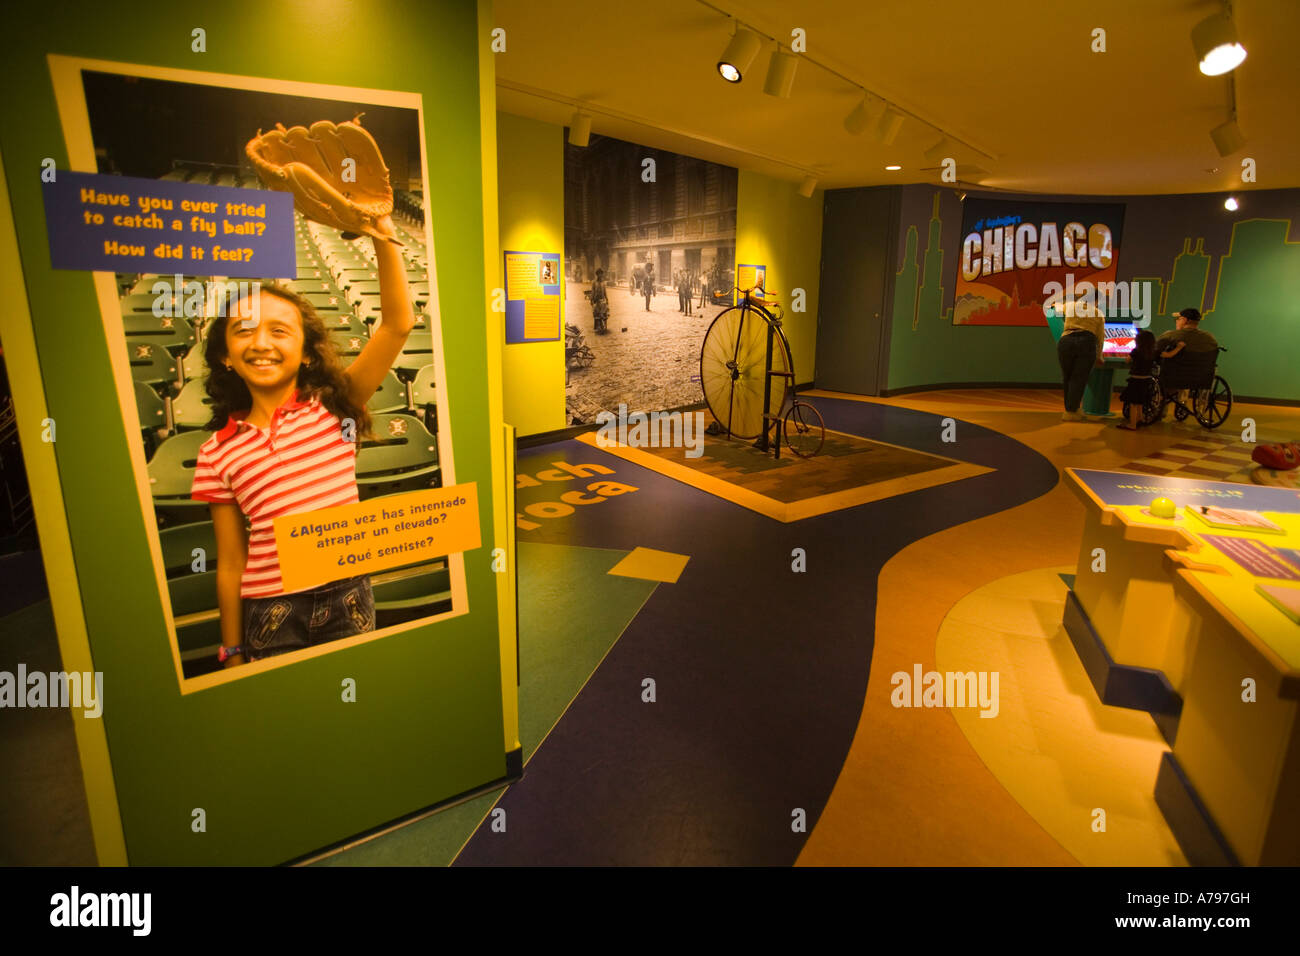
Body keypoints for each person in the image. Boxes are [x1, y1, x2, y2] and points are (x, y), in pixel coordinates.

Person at [191, 228, 416, 669]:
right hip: (271, 613)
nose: (261, 343)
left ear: (307, 353)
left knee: (355, 709)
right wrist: (232, 649)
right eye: (243, 332)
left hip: (348, 594)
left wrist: (383, 234)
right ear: (224, 355)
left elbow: (397, 325)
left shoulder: (336, 406)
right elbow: (231, 562)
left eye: (280, 331)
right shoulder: (215, 453)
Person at [1155, 307, 1219, 418]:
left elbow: (1155, 349)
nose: (1176, 321)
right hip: (1201, 378)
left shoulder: (1172, 335)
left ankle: (1161, 408)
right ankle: (1182, 402)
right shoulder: (1210, 338)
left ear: (1185, 320)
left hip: (1175, 376)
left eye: (1178, 319)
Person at [1056, 297, 1105, 421]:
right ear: (1096, 301)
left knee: (1067, 376)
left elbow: (1057, 308)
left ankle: (1071, 409)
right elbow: (1100, 338)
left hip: (1066, 340)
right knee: (1079, 378)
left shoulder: (1071, 305)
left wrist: (1055, 304)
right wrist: (1099, 356)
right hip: (1086, 342)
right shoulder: (1098, 313)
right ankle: (1072, 411)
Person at [1117, 329, 1157, 430]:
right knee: (1140, 401)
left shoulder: (1136, 351)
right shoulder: (1152, 353)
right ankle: (1141, 419)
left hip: (1135, 380)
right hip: (1147, 380)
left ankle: (1132, 424)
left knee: (1133, 402)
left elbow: (1127, 360)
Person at [590, 267, 609, 333]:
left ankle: (604, 326)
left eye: (601, 274)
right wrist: (591, 300)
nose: (600, 275)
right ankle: (598, 326)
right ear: (597, 274)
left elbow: (605, 291)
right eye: (599, 274)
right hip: (596, 300)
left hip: (602, 300)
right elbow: (593, 291)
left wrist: (607, 299)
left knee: (603, 314)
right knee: (597, 314)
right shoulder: (594, 282)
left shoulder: (603, 283)